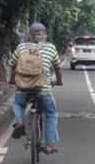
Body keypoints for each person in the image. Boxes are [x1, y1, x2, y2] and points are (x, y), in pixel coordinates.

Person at [8, 22, 63, 153]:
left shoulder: (21, 48)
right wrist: (59, 81)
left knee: (18, 104)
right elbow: (57, 68)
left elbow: (12, 65)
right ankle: (49, 145)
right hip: (42, 90)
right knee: (51, 114)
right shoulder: (51, 49)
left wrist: (12, 80)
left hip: (23, 89)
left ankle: (20, 122)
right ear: (45, 35)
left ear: (29, 35)